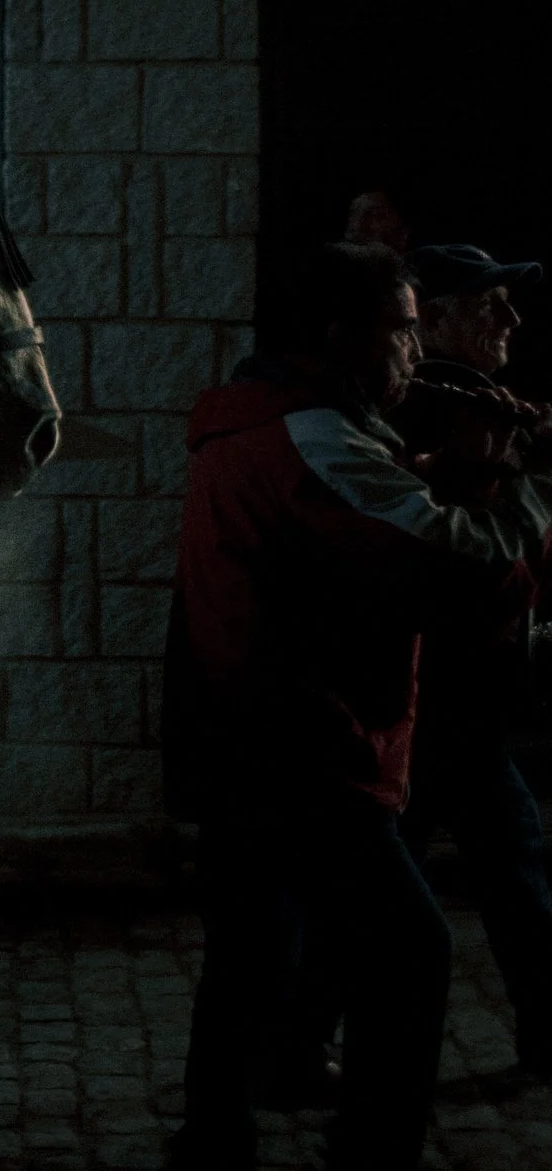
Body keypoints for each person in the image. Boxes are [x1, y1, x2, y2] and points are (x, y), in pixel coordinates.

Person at [163, 241, 542, 1171]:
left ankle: (214, 1145)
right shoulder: (312, 438)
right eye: (403, 332)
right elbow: (458, 568)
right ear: (338, 338)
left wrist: (454, 470)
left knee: (249, 961)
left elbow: (360, 531)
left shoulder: (276, 420)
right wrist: (508, 487)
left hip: (247, 742)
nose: (414, 357)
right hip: (303, 752)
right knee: (411, 950)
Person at [393, 243, 552, 1078]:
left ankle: (295, 1037)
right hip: (440, 687)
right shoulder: (437, 409)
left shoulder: (469, 403)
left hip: (453, 690)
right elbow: (474, 553)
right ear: (440, 316)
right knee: (508, 866)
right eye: (490, 306)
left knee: (477, 864)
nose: (511, 322)